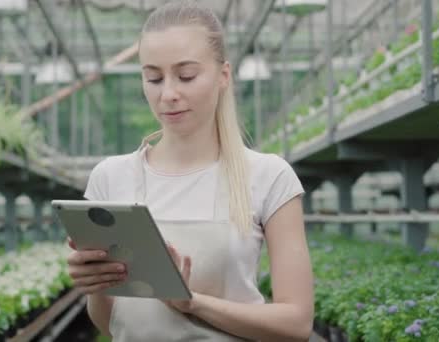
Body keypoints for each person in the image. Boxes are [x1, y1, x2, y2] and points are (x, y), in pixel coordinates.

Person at [66, 1, 314, 340]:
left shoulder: (269, 176)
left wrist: (193, 304)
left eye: (186, 76)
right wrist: (96, 284)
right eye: (153, 78)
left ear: (223, 75)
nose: (168, 93)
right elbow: (109, 323)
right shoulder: (111, 178)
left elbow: (297, 324)